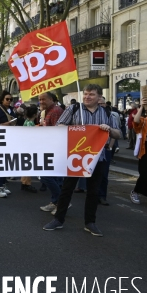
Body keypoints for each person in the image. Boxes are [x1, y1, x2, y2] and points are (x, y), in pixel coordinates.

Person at [43, 84, 120, 237]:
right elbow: (60, 126)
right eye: (85, 94)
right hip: (75, 156)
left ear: (99, 98)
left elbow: (118, 134)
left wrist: (109, 130)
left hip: (98, 157)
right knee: (67, 188)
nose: (87, 97)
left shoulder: (107, 112)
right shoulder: (74, 109)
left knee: (93, 191)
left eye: (91, 94)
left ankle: (90, 222)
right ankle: (59, 219)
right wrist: (77, 130)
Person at [38, 92, 66, 215]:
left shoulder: (55, 111)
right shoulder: (50, 111)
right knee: (55, 179)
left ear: (51, 99)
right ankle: (55, 202)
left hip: (54, 150)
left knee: (45, 176)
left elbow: (56, 132)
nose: (41, 102)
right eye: (39, 99)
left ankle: (62, 202)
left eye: (43, 99)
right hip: (52, 149)